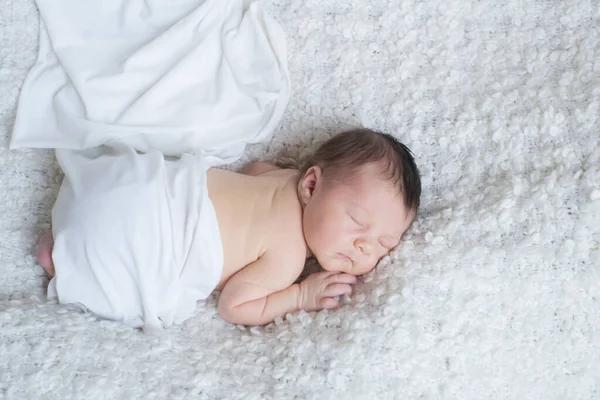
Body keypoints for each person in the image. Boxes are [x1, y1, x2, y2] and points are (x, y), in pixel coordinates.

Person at [37, 128, 421, 327]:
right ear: (312, 184)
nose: (363, 248)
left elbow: (251, 171)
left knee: (133, 197)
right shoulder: (286, 257)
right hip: (156, 233)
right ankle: (66, 262)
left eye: (384, 245)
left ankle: (72, 230)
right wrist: (298, 296)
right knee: (140, 285)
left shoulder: (281, 177)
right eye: (357, 223)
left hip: (134, 184)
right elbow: (233, 306)